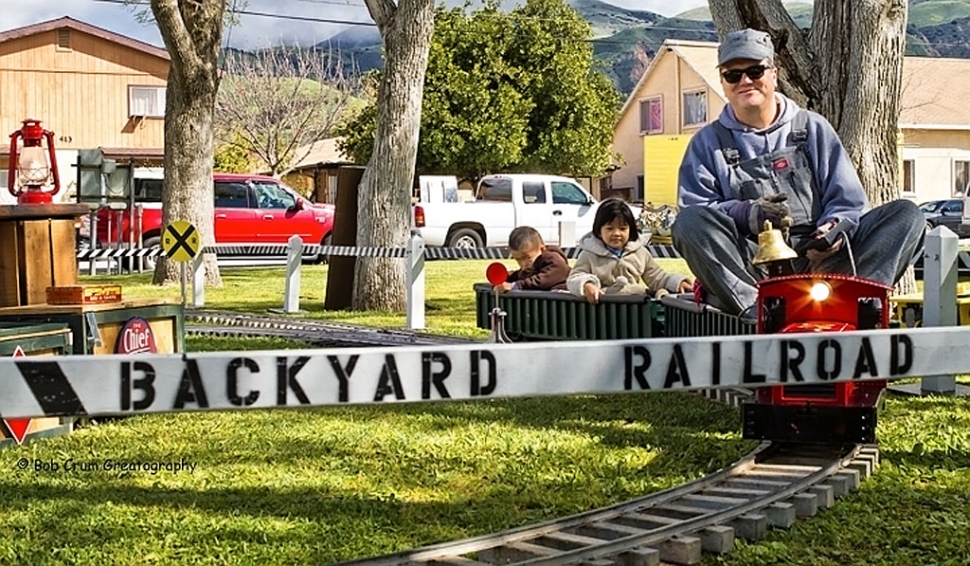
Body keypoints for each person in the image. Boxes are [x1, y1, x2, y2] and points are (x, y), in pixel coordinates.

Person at [672, 28, 925, 317]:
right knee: (688, 223)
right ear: (723, 81)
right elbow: (697, 210)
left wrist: (833, 230)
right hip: (753, 266)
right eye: (733, 74)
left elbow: (848, 202)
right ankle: (760, 312)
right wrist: (746, 214)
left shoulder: (813, 129)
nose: (745, 81)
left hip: (823, 263)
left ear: (774, 74)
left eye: (755, 71)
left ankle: (858, 301)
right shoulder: (706, 144)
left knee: (907, 215)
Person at [567, 199, 693, 303]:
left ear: (630, 230)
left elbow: (657, 278)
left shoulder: (640, 253)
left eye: (622, 228)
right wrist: (587, 285)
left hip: (635, 305)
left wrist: (677, 283)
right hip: (603, 307)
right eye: (609, 228)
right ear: (599, 231)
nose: (616, 233)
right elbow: (575, 278)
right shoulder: (589, 254)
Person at [493, 226, 569, 292]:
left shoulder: (554, 259)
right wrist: (504, 279)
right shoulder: (530, 267)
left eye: (527, 258)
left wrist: (515, 286)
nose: (523, 264)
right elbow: (521, 276)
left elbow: (542, 281)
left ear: (542, 249)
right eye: (518, 260)